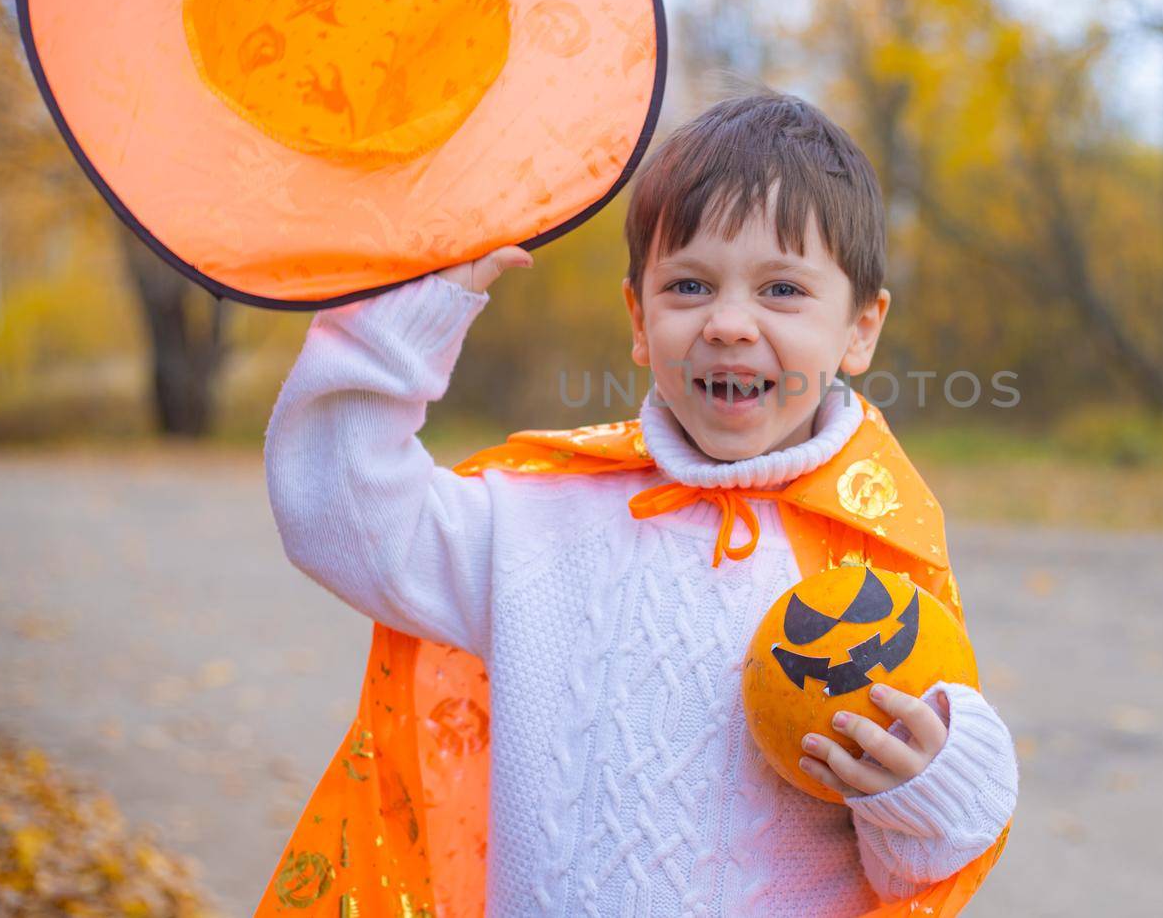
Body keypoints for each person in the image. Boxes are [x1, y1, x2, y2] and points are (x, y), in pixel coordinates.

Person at [264, 89, 1018, 915]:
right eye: (689, 285)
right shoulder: (533, 524)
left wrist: (926, 787)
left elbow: (916, 869)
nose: (729, 322)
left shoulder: (873, 562)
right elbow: (340, 509)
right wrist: (411, 312)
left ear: (861, 328)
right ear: (637, 315)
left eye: (783, 291)